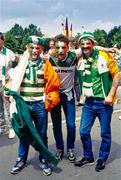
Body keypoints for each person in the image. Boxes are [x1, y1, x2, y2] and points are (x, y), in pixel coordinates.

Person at [5, 35, 60, 176]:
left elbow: (53, 84)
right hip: (23, 104)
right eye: (32, 47)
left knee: (42, 135)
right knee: (23, 133)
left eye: (38, 48)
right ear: (27, 48)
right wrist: (8, 89)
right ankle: (21, 159)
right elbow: (13, 78)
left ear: (41, 49)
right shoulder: (20, 62)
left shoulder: (46, 63)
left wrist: (50, 96)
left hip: (39, 105)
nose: (35, 50)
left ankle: (44, 159)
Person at [74, 32, 120, 172]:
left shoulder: (104, 56)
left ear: (93, 44)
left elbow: (117, 74)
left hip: (104, 103)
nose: (86, 46)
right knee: (83, 132)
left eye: (88, 43)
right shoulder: (79, 58)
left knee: (104, 133)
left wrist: (111, 95)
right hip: (88, 102)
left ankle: (102, 158)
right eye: (83, 44)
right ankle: (88, 157)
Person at [49, 34, 78, 162]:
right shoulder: (49, 58)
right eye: (57, 48)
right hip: (55, 95)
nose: (60, 50)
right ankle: (60, 149)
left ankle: (70, 148)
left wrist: (108, 49)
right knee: (56, 125)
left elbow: (93, 47)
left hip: (68, 94)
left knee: (71, 125)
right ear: (54, 48)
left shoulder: (73, 56)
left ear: (68, 48)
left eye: (63, 47)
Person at [0, 32, 16, 138]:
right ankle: (2, 127)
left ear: (2, 40)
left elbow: (15, 67)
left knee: (7, 106)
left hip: (5, 83)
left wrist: (11, 80)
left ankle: (11, 128)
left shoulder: (8, 53)